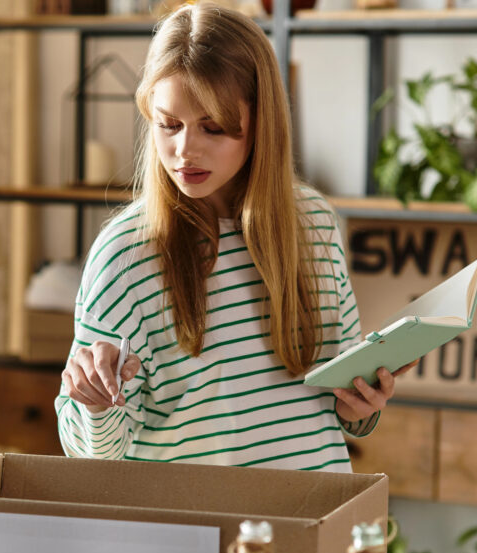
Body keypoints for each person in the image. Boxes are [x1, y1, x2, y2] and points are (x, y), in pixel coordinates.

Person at [54, 1, 415, 471]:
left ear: (260, 124)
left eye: (214, 127)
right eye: (169, 125)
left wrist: (362, 406)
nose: (185, 150)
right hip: (193, 533)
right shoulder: (126, 254)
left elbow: (339, 408)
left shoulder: (315, 223)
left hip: (313, 517)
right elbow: (93, 454)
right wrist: (96, 404)